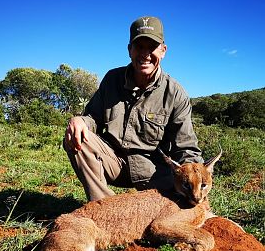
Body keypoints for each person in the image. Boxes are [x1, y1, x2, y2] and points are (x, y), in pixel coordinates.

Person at [64, 16, 203, 201]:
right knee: (78, 137)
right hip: (113, 161)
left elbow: (186, 148)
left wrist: (196, 178)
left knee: (174, 212)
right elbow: (93, 118)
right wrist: (80, 120)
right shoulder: (112, 79)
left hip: (153, 172)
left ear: (163, 51)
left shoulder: (175, 93)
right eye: (139, 46)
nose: (145, 54)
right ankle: (104, 207)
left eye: (152, 47)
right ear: (130, 49)